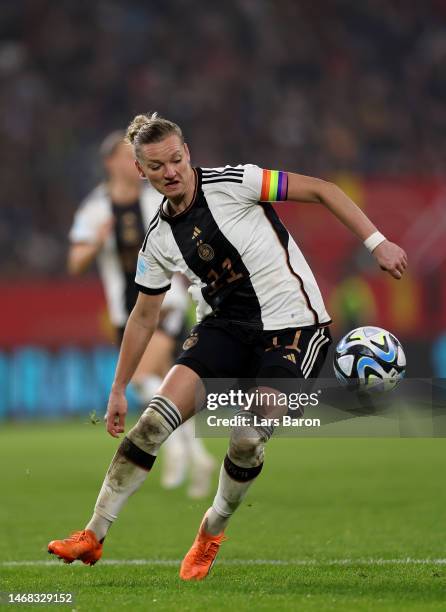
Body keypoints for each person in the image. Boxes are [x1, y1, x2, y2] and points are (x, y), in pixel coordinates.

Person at [49, 113, 407, 579]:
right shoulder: (157, 238)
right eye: (157, 166)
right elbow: (143, 316)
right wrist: (118, 389)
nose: (171, 171)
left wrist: (376, 242)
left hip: (295, 328)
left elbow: (323, 189)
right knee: (152, 424)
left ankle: (212, 527)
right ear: (141, 171)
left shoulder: (237, 181)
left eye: (176, 159)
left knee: (245, 438)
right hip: (225, 329)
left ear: (188, 152)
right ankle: (93, 535)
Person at [67, 130, 215, 497]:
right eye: (121, 156)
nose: (127, 163)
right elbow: (75, 262)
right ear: (110, 163)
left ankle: (177, 450)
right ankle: (197, 455)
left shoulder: (155, 200)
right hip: (126, 311)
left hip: (166, 303)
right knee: (165, 385)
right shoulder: (94, 209)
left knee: (142, 376)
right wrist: (98, 241)